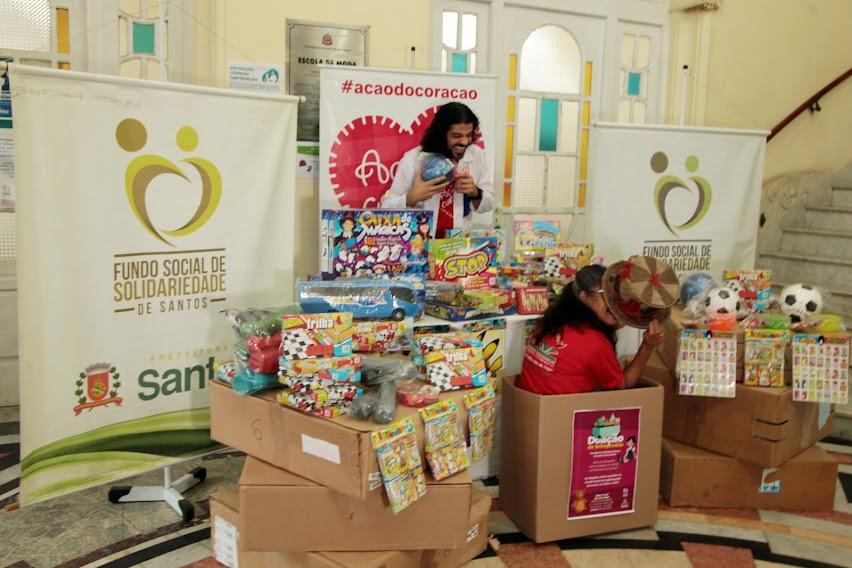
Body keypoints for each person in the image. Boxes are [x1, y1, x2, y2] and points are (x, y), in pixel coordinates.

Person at [518, 264, 664, 395]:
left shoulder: (553, 321)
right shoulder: (595, 343)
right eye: (604, 295)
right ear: (584, 297)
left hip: (531, 411)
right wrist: (647, 346)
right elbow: (621, 390)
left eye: (615, 297)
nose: (612, 304)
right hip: (562, 416)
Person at [381, 102, 493, 237]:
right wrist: (411, 198)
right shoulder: (413, 159)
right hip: (420, 245)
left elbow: (489, 204)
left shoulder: (478, 156)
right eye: (456, 135)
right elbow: (386, 207)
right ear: (441, 133)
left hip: (458, 245)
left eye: (469, 135)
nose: (464, 142)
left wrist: (475, 193)